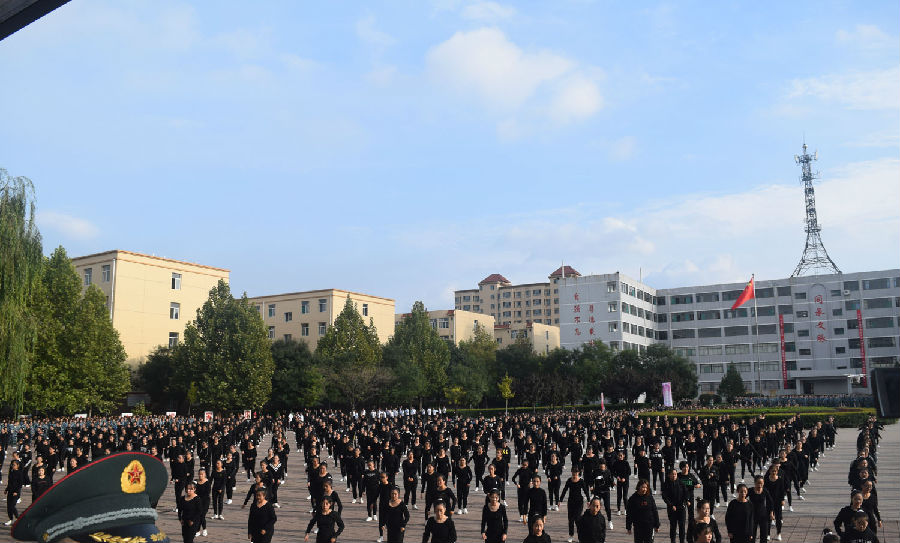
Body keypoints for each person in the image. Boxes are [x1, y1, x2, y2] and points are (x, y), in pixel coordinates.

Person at [625, 479, 659, 543]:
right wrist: (628, 527)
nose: (645, 489)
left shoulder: (650, 497)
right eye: (643, 487)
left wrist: (657, 525)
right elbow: (629, 514)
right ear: (638, 487)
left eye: (646, 487)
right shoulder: (633, 499)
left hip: (649, 526)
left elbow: (654, 511)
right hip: (638, 526)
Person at [662, 468, 687, 543]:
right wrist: (671, 505)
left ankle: (682, 541)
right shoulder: (666, 484)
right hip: (672, 508)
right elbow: (665, 497)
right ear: (669, 475)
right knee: (673, 526)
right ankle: (673, 541)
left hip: (681, 507)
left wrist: (685, 502)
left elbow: (686, 493)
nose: (674, 475)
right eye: (672, 474)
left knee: (682, 526)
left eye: (675, 474)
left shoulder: (680, 483)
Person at [764, 464, 787, 541]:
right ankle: (768, 534)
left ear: (777, 472)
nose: (773, 472)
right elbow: (765, 491)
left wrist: (782, 500)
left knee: (778, 518)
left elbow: (782, 490)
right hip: (769, 501)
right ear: (769, 471)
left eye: (775, 471)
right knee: (768, 519)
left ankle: (779, 533)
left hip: (778, 501)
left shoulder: (780, 480)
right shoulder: (767, 480)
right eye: (772, 471)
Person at [747, 476, 773, 543]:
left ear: (763, 483)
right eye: (758, 483)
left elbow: (771, 502)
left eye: (761, 483)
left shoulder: (765, 491)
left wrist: (771, 513)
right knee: (752, 535)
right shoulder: (750, 490)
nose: (760, 485)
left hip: (763, 515)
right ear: (755, 483)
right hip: (753, 515)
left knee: (764, 536)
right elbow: (742, 497)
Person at [4, 459, 24, 526]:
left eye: (14, 465)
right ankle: (10, 519)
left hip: (16, 492)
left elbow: (20, 484)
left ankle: (18, 518)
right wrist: (6, 489)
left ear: (18, 465)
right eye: (12, 465)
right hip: (10, 491)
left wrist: (16, 491)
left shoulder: (20, 473)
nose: (13, 466)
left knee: (12, 506)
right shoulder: (11, 471)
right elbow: (9, 482)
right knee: (8, 506)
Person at [195, 468, 212, 537]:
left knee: (202, 516)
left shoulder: (207, 483)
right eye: (199, 474)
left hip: (205, 501)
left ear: (204, 475)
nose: (200, 475)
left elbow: (207, 493)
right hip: (197, 502)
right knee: (197, 516)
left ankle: (204, 529)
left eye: (202, 474)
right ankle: (198, 531)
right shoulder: (196, 482)